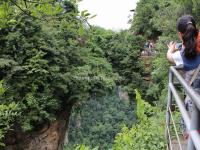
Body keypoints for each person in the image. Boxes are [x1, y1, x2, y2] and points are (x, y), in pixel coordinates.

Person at [166, 15, 200, 139]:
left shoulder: (180, 56)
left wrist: (171, 49)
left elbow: (169, 57)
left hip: (193, 100)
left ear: (180, 35)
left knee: (194, 136)